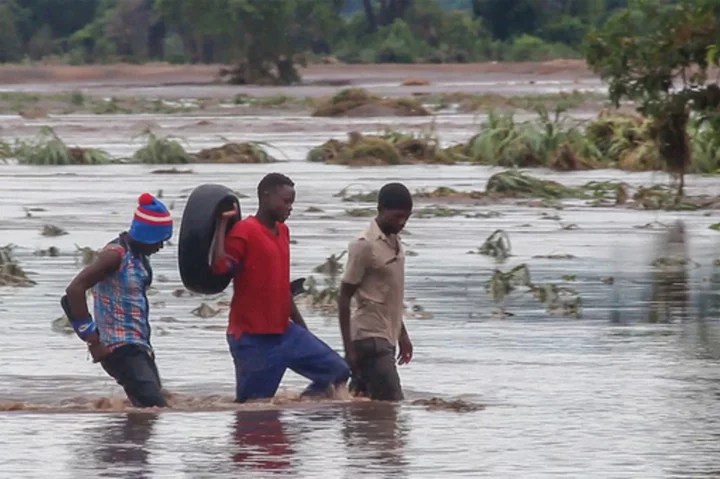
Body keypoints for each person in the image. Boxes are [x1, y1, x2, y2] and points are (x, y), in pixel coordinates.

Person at [211, 172, 350, 403]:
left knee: (337, 372)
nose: (290, 207)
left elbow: (282, 289)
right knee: (253, 411)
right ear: (266, 197)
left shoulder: (283, 232)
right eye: (286, 201)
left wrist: (304, 330)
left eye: (292, 202)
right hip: (252, 339)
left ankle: (300, 412)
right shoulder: (244, 231)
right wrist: (221, 224)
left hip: (286, 334)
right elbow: (220, 267)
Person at [63, 192, 173, 408]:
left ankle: (124, 441)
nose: (160, 247)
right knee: (155, 407)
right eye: (159, 241)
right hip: (118, 348)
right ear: (146, 235)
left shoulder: (139, 257)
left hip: (139, 346)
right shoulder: (115, 255)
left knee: (149, 410)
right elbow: (74, 290)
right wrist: (92, 340)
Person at [338, 182, 414, 402]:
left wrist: (403, 336)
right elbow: (344, 297)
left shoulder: (395, 243)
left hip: (387, 337)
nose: (401, 223)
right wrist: (348, 350)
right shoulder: (364, 245)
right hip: (369, 338)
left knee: (361, 405)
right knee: (392, 405)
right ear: (380, 210)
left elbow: (392, 296)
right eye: (396, 217)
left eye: (406, 218)